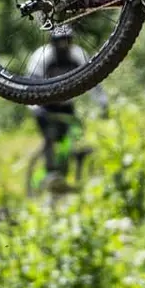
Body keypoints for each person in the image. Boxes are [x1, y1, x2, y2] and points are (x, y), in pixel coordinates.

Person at [26, 27, 108, 188]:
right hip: (45, 107)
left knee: (73, 138)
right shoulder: (41, 57)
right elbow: (30, 86)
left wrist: (103, 104)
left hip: (66, 106)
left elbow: (93, 81)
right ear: (52, 43)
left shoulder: (78, 55)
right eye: (59, 43)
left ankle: (66, 174)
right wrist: (35, 108)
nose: (63, 47)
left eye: (67, 42)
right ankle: (50, 173)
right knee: (50, 136)